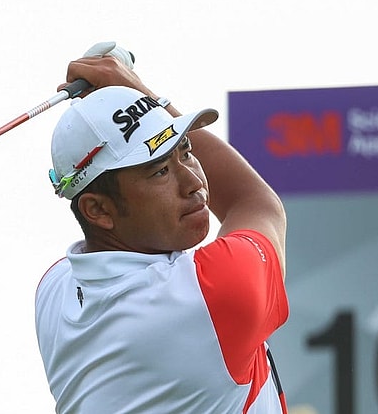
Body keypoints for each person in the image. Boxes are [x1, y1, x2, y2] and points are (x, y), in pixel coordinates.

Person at [35, 47, 289, 414]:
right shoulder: (209, 296)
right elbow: (253, 203)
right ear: (98, 209)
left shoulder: (55, 290)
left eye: (185, 151)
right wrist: (141, 92)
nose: (193, 182)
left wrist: (139, 108)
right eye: (159, 171)